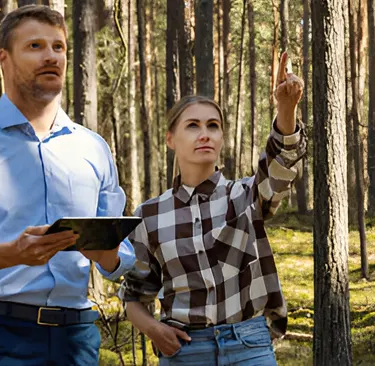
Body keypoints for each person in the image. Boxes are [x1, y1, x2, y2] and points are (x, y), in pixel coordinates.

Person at [0, 5, 135, 365]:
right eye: (35, 46)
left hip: (78, 337)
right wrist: (8, 255)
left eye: (58, 47)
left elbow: (121, 257)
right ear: (4, 58)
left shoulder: (93, 147)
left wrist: (103, 251)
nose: (51, 57)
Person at [118, 51, 307, 365]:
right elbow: (135, 294)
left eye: (213, 126)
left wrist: (286, 108)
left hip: (250, 347)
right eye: (192, 125)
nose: (204, 133)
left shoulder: (245, 195)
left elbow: (283, 165)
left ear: (221, 138)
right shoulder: (149, 216)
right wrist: (153, 330)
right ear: (170, 139)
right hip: (185, 351)